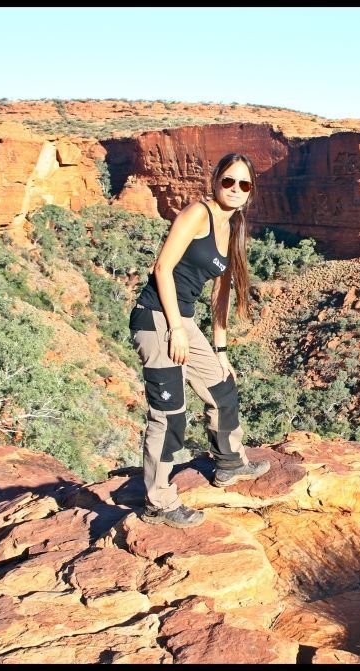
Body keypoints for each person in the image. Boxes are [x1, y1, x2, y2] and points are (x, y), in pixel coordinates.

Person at [128, 152, 269, 528]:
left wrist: (220, 350)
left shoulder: (234, 227)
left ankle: (229, 462)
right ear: (216, 181)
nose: (235, 189)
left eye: (244, 184)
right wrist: (175, 328)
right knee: (169, 413)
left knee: (222, 388)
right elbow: (162, 268)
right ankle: (158, 502)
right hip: (158, 318)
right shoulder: (197, 214)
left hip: (184, 321)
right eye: (229, 181)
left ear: (251, 191)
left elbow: (220, 296)